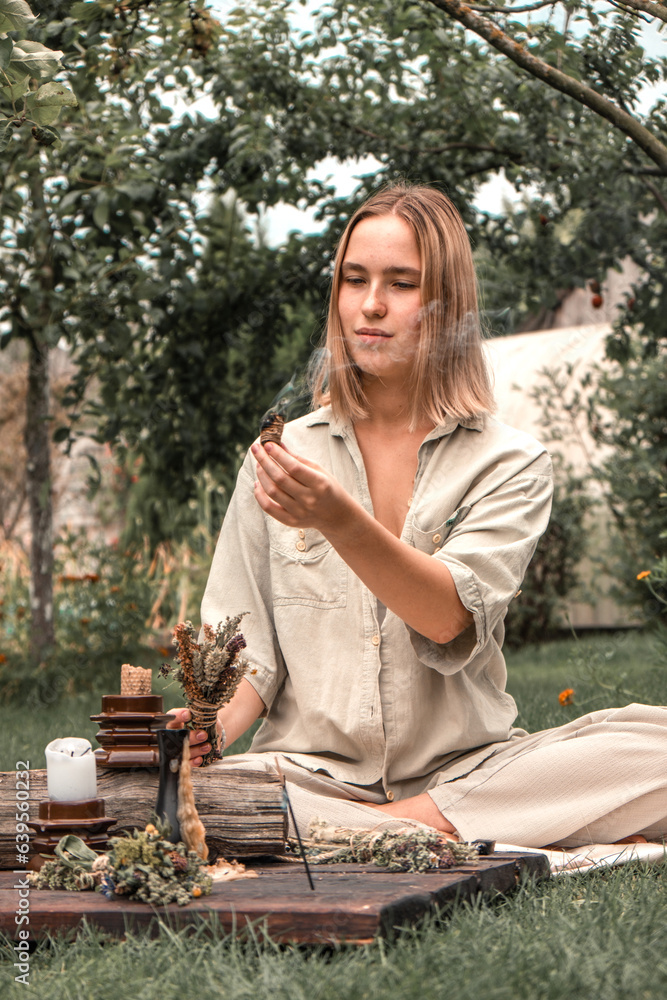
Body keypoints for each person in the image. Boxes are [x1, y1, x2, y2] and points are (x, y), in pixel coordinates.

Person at [168, 184, 666, 850]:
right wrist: (211, 729)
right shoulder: (281, 458)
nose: (370, 305)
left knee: (651, 749)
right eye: (354, 280)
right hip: (309, 774)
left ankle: (388, 829)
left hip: (468, 771)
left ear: (445, 306)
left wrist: (337, 519)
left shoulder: (508, 462)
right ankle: (407, 831)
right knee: (166, 794)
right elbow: (246, 653)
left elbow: (445, 618)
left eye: (400, 284)